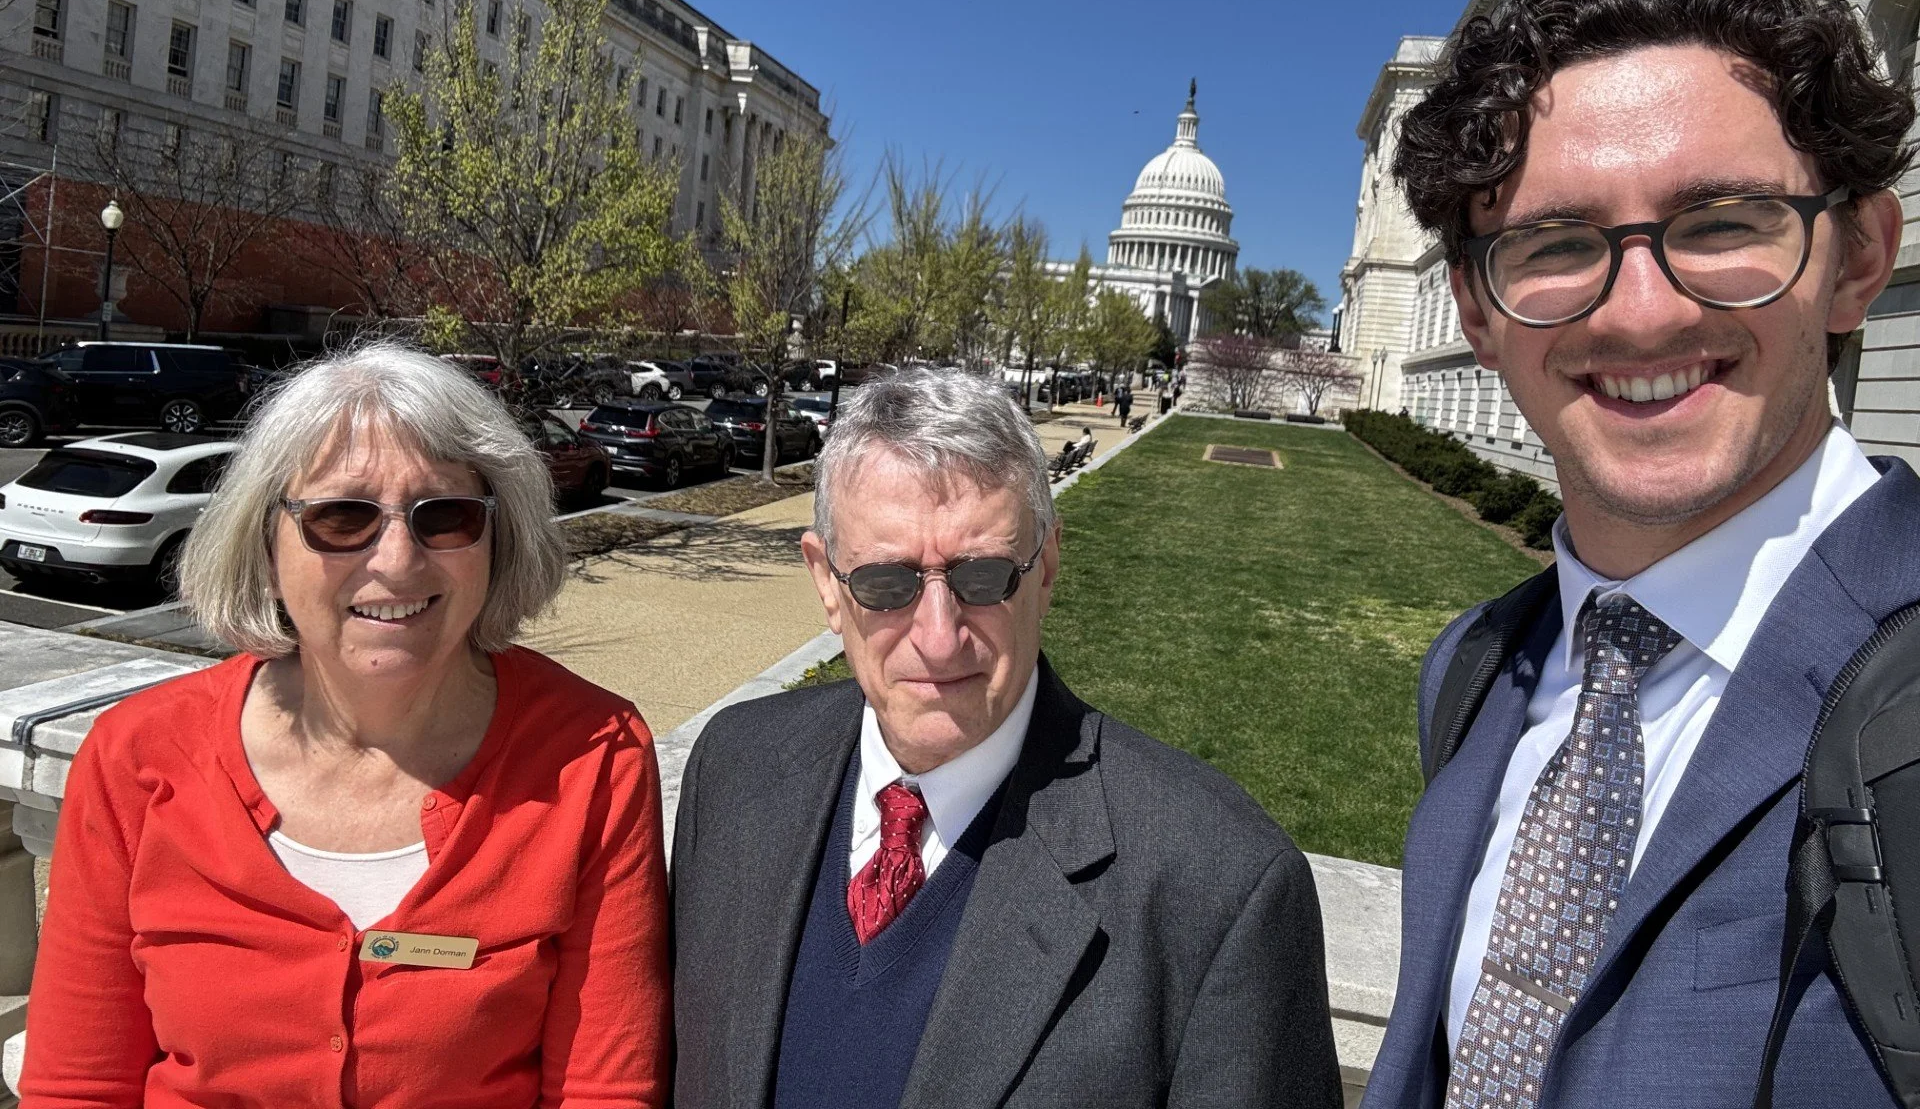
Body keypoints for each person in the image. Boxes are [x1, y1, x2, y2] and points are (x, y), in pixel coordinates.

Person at [1362, 0, 1915, 1108]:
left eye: (1721, 222)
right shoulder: (1477, 669)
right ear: (1476, 308)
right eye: (1558, 246)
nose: (1644, 309)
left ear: (1857, 256)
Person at [670, 367, 1341, 1108]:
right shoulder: (733, 771)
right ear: (827, 583)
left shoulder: (1219, 886)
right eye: (887, 583)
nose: (938, 636)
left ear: (1047, 565)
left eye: (984, 577)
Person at [20, 344, 671, 1107]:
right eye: (341, 515)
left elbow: (604, 1091)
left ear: (498, 539)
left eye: (447, 516)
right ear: (265, 544)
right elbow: (79, 1086)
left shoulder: (592, 754)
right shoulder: (137, 757)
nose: (397, 562)